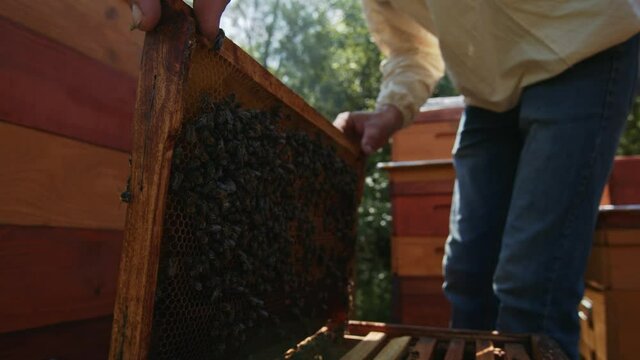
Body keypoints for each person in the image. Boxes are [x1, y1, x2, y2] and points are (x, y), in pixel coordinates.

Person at [129, 1, 639, 358]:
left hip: (583, 52)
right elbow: (410, 51)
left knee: (532, 286)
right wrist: (389, 112)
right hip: (488, 95)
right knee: (467, 273)